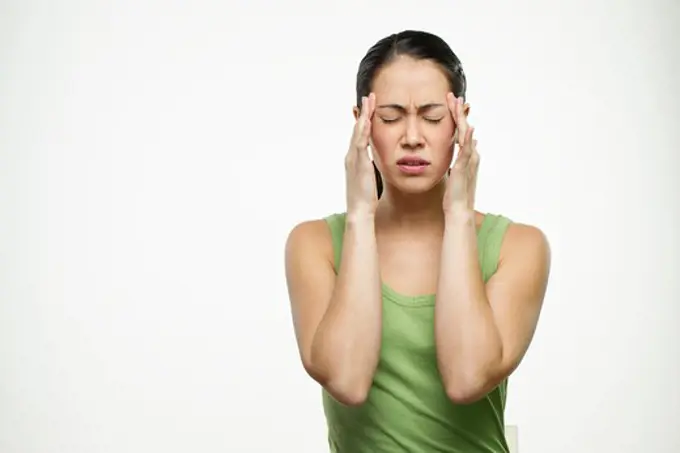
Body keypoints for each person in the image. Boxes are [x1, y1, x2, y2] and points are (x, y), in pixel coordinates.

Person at [284, 30, 551, 453]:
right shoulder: (315, 244)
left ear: (460, 119)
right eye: (390, 117)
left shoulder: (516, 247)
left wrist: (460, 215)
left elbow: (466, 377)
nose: (412, 136)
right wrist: (359, 216)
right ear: (362, 122)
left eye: (431, 116)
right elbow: (349, 381)